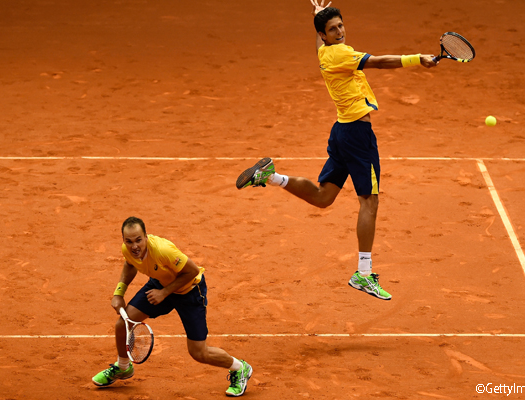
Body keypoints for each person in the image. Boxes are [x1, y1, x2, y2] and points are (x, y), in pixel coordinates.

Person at [236, 0, 438, 301]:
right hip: (357, 134)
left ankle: (271, 176)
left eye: (341, 25)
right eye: (333, 29)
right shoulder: (341, 54)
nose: (340, 31)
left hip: (342, 131)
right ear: (325, 35)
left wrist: (319, 16)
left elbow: (319, 37)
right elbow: (380, 62)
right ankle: (364, 274)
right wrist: (416, 58)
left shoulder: (323, 51)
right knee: (369, 202)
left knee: (323, 197)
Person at [92, 216, 253, 397]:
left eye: (138, 240)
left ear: (146, 237)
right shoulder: (128, 250)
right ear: (124, 241)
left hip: (189, 291)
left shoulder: (163, 250)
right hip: (161, 284)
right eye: (129, 241)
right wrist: (119, 292)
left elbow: (192, 271)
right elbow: (130, 264)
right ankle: (123, 367)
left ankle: (240, 368)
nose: (134, 246)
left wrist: (163, 293)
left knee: (198, 352)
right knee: (123, 323)